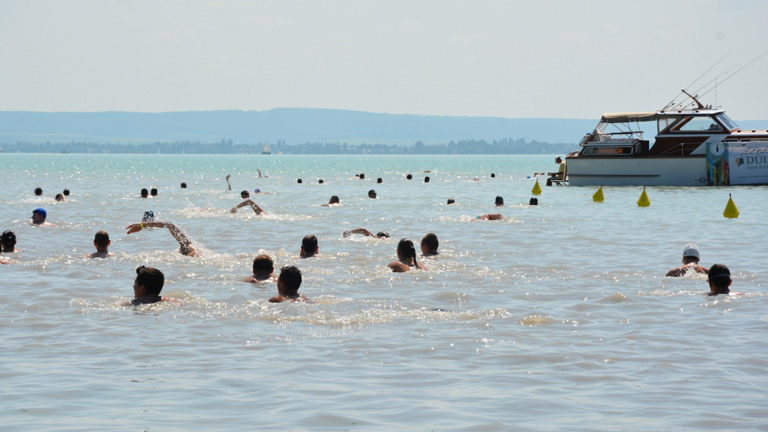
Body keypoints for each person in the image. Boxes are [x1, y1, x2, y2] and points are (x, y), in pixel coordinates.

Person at [125, 220, 199, 256]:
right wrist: (141, 225)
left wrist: (142, 225)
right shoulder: (187, 246)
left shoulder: (188, 248)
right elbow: (169, 225)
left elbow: (169, 225)